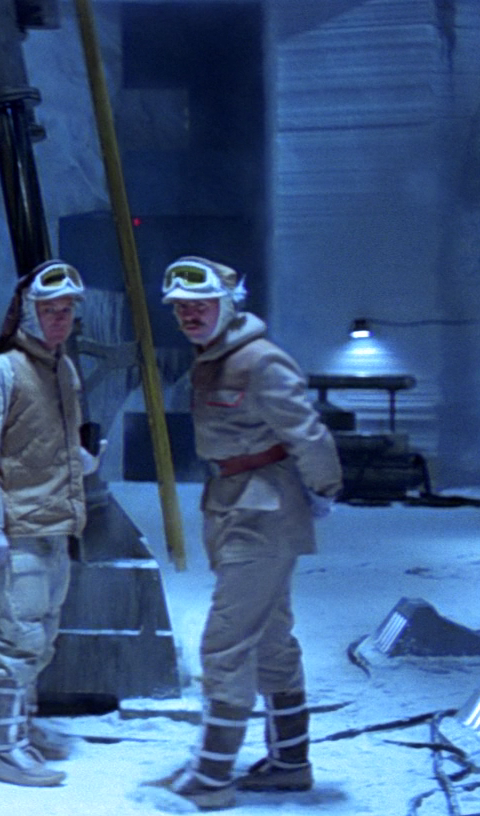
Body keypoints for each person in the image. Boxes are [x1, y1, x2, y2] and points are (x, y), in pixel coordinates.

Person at [156, 256, 340, 810]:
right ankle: (290, 762)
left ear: (228, 305)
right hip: (234, 505)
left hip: (264, 514)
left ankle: (212, 777)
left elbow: (308, 433)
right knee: (269, 638)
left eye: (200, 305)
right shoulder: (213, 359)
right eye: (181, 308)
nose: (189, 315)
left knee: (226, 642)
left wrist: (323, 488)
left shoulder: (260, 360)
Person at [0, 260, 93, 787]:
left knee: (42, 635)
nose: (60, 319)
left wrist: (80, 462)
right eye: (50, 310)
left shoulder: (63, 370)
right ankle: (3, 745)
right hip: (19, 529)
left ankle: (21, 728)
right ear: (27, 312)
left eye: (67, 310)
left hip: (55, 525)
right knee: (19, 637)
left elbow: (59, 439)